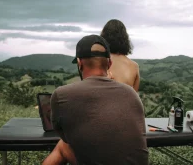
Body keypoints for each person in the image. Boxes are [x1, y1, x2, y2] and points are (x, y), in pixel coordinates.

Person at [42, 35, 148, 165]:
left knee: (63, 146)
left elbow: (65, 137)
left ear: (80, 64)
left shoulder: (61, 95)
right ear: (109, 63)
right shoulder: (131, 93)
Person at [100, 19, 140, 92]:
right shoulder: (134, 66)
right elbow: (134, 99)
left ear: (103, 38)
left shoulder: (98, 62)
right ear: (125, 39)